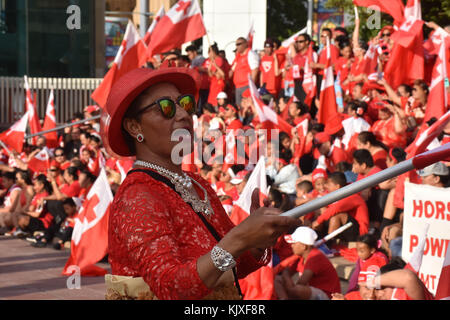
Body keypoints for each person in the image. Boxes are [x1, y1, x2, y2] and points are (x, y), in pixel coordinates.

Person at [103, 67, 301, 300]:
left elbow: (230, 266)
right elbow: (171, 289)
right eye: (166, 107)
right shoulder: (137, 196)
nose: (183, 115)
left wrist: (256, 241)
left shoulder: (197, 184)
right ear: (134, 126)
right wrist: (238, 239)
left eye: (185, 104)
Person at [274, 226, 341, 300]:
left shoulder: (315, 257)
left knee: (297, 290)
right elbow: (288, 272)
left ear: (303, 246)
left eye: (294, 243)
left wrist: (286, 274)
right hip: (313, 292)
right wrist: (286, 274)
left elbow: (300, 284)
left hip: (327, 296)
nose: (291, 246)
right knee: (277, 279)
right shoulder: (301, 256)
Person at [312, 172, 368, 240]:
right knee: (322, 209)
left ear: (337, 186)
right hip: (347, 227)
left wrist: (318, 221)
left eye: (328, 184)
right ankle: (316, 237)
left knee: (336, 216)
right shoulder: (337, 193)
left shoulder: (351, 195)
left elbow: (336, 208)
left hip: (360, 233)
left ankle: (329, 243)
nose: (325, 186)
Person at [229, 37, 260, 106]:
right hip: (238, 87)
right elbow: (232, 71)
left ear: (245, 44)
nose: (237, 46)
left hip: (247, 86)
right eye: (236, 45)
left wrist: (251, 86)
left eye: (239, 44)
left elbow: (255, 70)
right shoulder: (238, 56)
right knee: (239, 107)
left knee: (247, 106)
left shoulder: (251, 54)